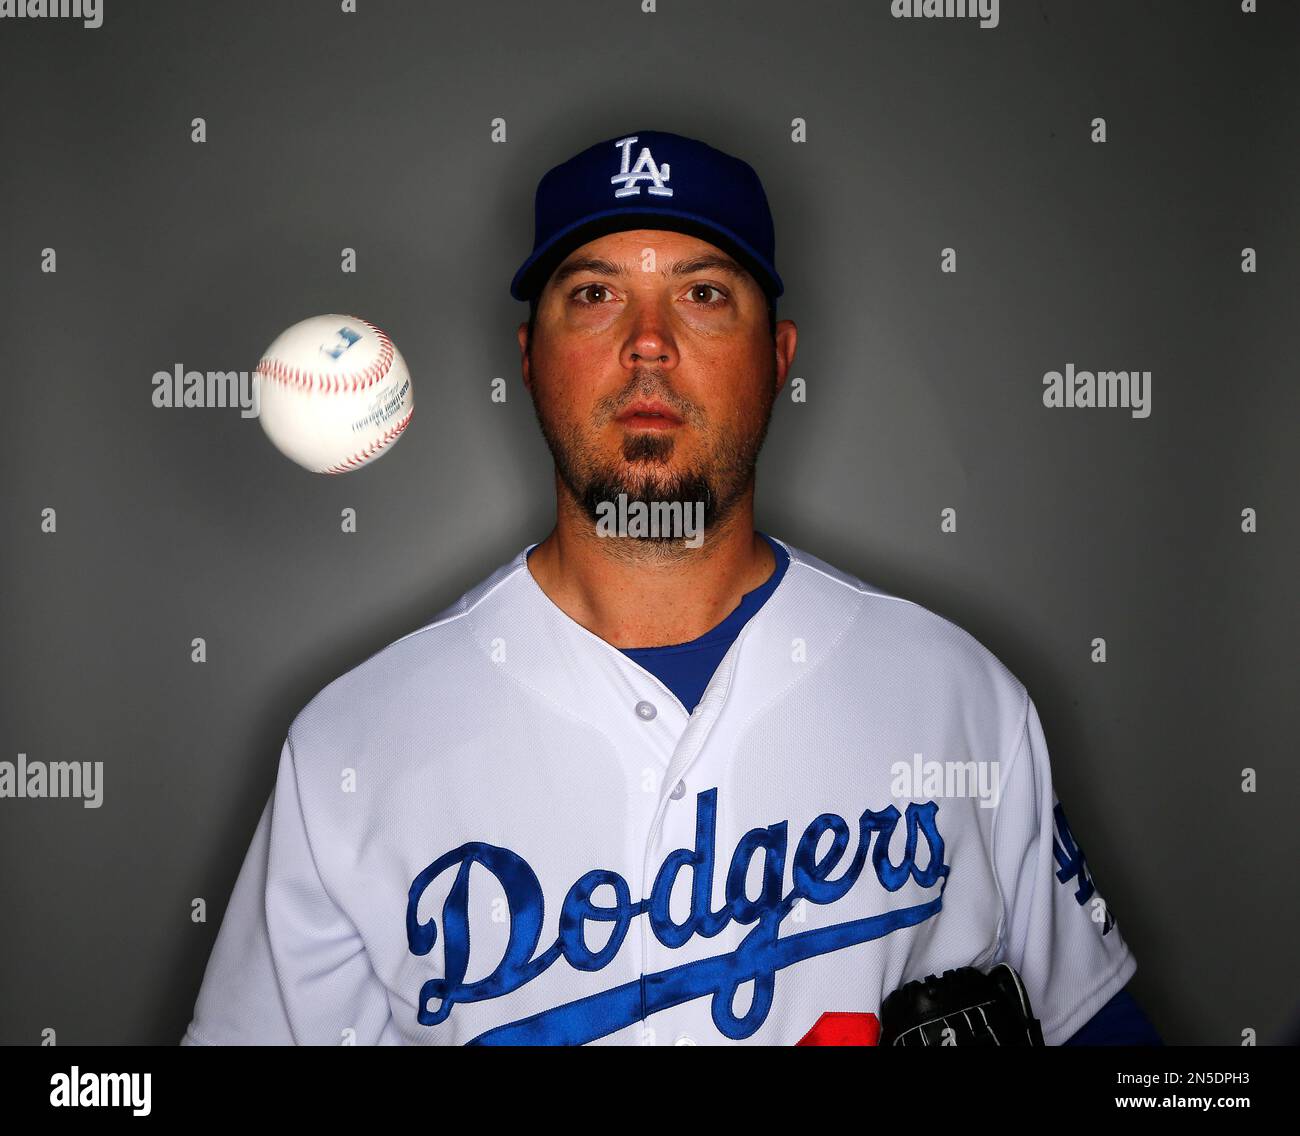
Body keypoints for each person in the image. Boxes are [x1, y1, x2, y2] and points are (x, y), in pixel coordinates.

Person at [180, 129, 1160, 1046]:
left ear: (777, 359)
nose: (647, 343)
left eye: (702, 293)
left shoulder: (958, 696)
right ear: (528, 361)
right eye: (594, 294)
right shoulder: (350, 747)